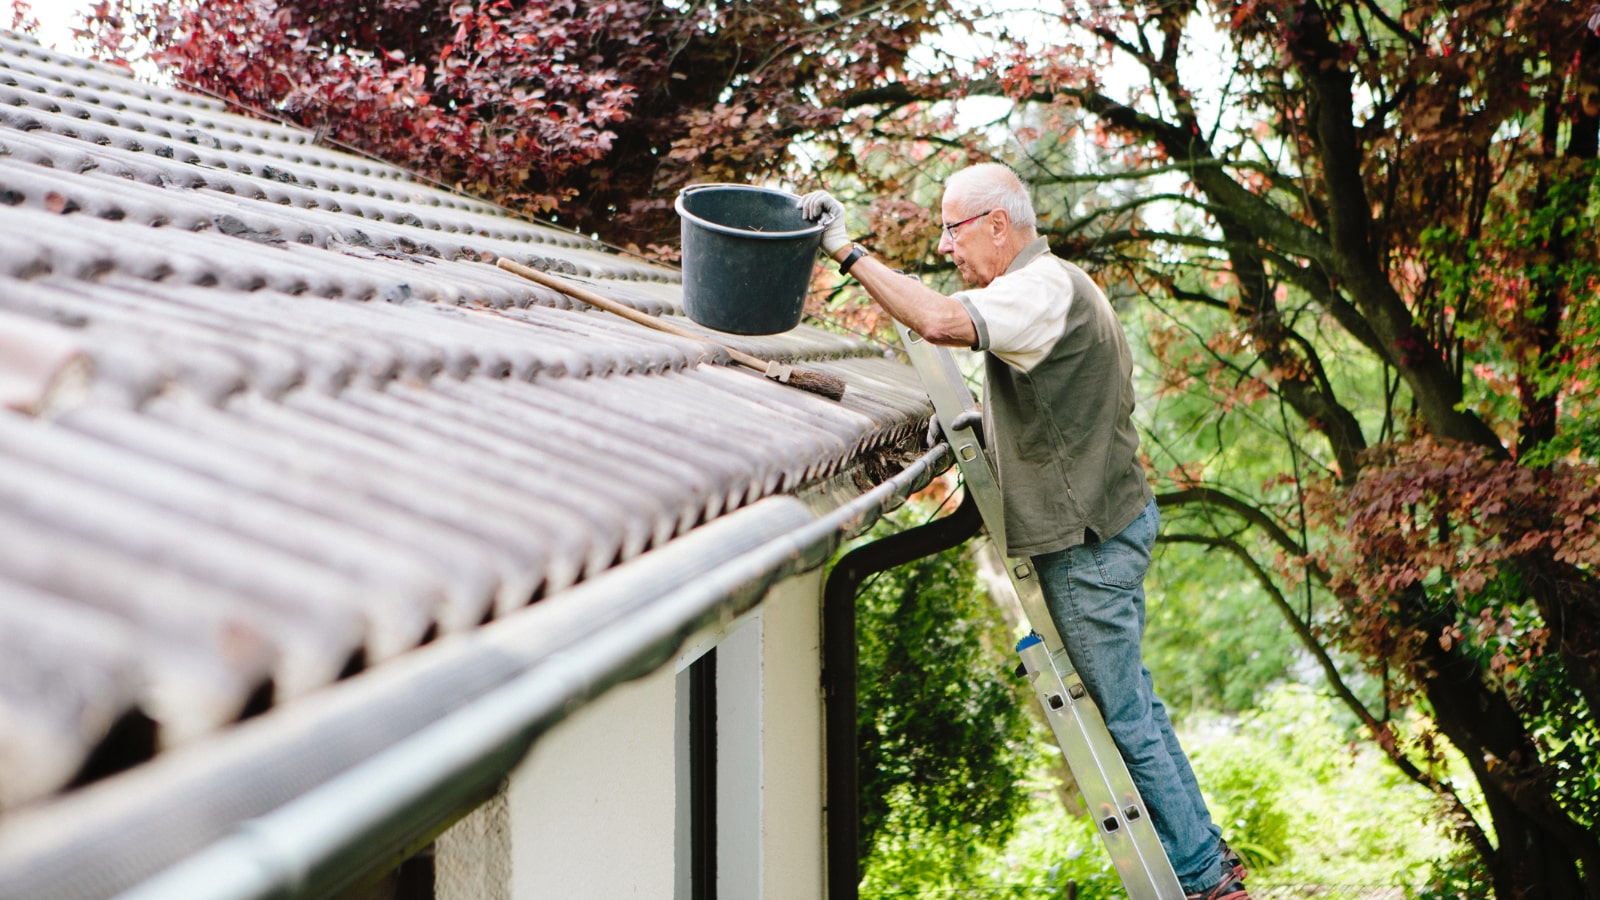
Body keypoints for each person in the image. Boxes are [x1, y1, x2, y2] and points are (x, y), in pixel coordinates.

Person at [802, 163, 1250, 900]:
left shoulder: (1040, 291)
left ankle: (1203, 880)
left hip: (1086, 543)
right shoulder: (1059, 282)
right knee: (1133, 706)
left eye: (953, 228)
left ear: (997, 225)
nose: (946, 246)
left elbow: (939, 322)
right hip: (1110, 523)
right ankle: (1207, 861)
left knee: (1123, 717)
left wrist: (845, 251)